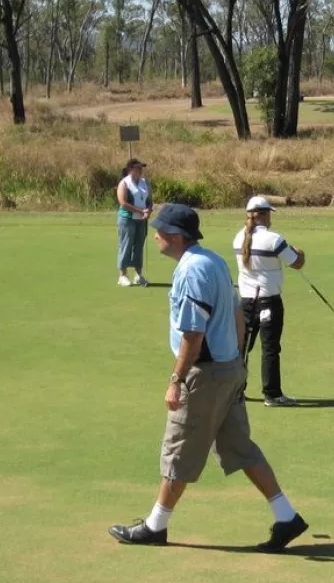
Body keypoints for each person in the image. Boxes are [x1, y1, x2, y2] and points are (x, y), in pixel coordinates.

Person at [108, 203, 308, 550]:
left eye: (159, 230)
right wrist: (238, 362)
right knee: (240, 447)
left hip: (206, 375)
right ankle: (286, 517)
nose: (154, 235)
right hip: (228, 369)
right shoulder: (212, 259)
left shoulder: (192, 271)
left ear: (173, 237)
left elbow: (192, 335)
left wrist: (176, 379)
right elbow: (238, 317)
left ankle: (156, 526)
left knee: (178, 449)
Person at [233, 196, 306, 407]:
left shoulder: (238, 237)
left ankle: (236, 390)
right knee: (270, 348)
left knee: (242, 347)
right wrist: (300, 252)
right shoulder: (274, 239)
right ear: (264, 215)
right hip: (269, 302)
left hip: (245, 302)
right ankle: (272, 394)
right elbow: (297, 263)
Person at [116, 158, 153, 287]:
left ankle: (138, 275)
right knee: (126, 245)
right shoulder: (124, 183)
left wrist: (148, 211)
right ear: (130, 170)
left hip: (141, 220)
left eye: (141, 168)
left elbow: (149, 200)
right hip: (127, 219)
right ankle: (123, 275)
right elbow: (123, 202)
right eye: (137, 168)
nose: (140, 170)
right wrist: (140, 211)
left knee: (139, 246)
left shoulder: (145, 183)